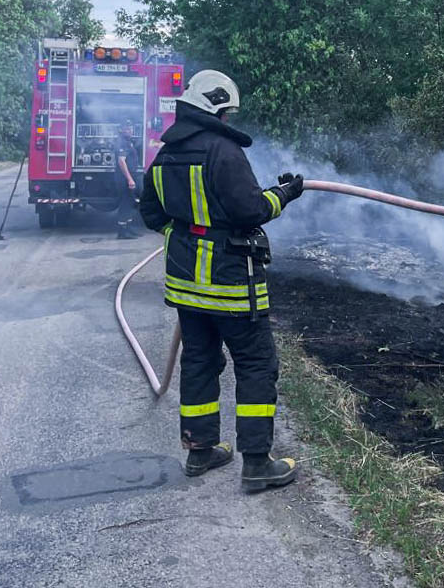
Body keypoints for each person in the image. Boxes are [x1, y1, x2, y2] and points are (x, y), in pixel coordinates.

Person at [138, 69, 305, 492]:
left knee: (199, 361)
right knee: (256, 364)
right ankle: (256, 463)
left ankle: (200, 451)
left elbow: (152, 216)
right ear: (216, 108)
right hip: (231, 284)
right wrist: (283, 194)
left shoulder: (164, 156)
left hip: (186, 287)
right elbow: (250, 209)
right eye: (227, 112)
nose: (229, 120)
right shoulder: (223, 151)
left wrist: (189, 235)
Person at [114, 119, 142, 239]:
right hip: (124, 178)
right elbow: (121, 161)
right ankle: (122, 232)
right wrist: (130, 179)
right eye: (127, 128)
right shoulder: (121, 142)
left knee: (130, 202)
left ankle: (128, 228)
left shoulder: (128, 141)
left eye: (130, 128)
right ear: (121, 130)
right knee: (125, 203)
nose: (130, 130)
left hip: (130, 176)